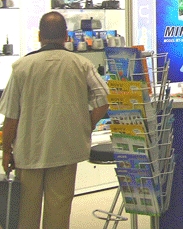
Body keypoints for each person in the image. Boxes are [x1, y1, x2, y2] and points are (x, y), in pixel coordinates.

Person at [0, 11, 109, 228]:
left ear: (39, 36)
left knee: (25, 216)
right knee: (58, 214)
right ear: (66, 36)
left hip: (28, 152)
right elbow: (104, 98)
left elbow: (11, 116)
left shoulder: (22, 67)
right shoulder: (81, 64)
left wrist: (6, 151)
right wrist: (86, 126)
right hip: (65, 150)